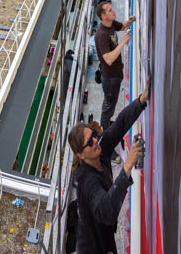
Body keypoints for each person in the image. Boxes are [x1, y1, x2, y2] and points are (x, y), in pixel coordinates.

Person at [67, 90, 148, 254]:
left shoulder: (100, 149)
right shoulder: (87, 183)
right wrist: (127, 167)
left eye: (94, 135)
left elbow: (119, 125)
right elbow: (106, 211)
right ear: (80, 155)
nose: (95, 141)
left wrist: (141, 100)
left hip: (104, 235)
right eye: (89, 142)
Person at [94, 1, 136, 128]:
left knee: (111, 104)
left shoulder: (111, 24)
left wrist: (130, 21)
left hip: (116, 74)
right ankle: (105, 131)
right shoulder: (102, 35)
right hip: (110, 78)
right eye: (110, 10)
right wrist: (123, 42)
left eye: (112, 9)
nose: (113, 11)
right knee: (109, 105)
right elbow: (108, 59)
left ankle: (106, 124)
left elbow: (122, 26)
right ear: (103, 16)